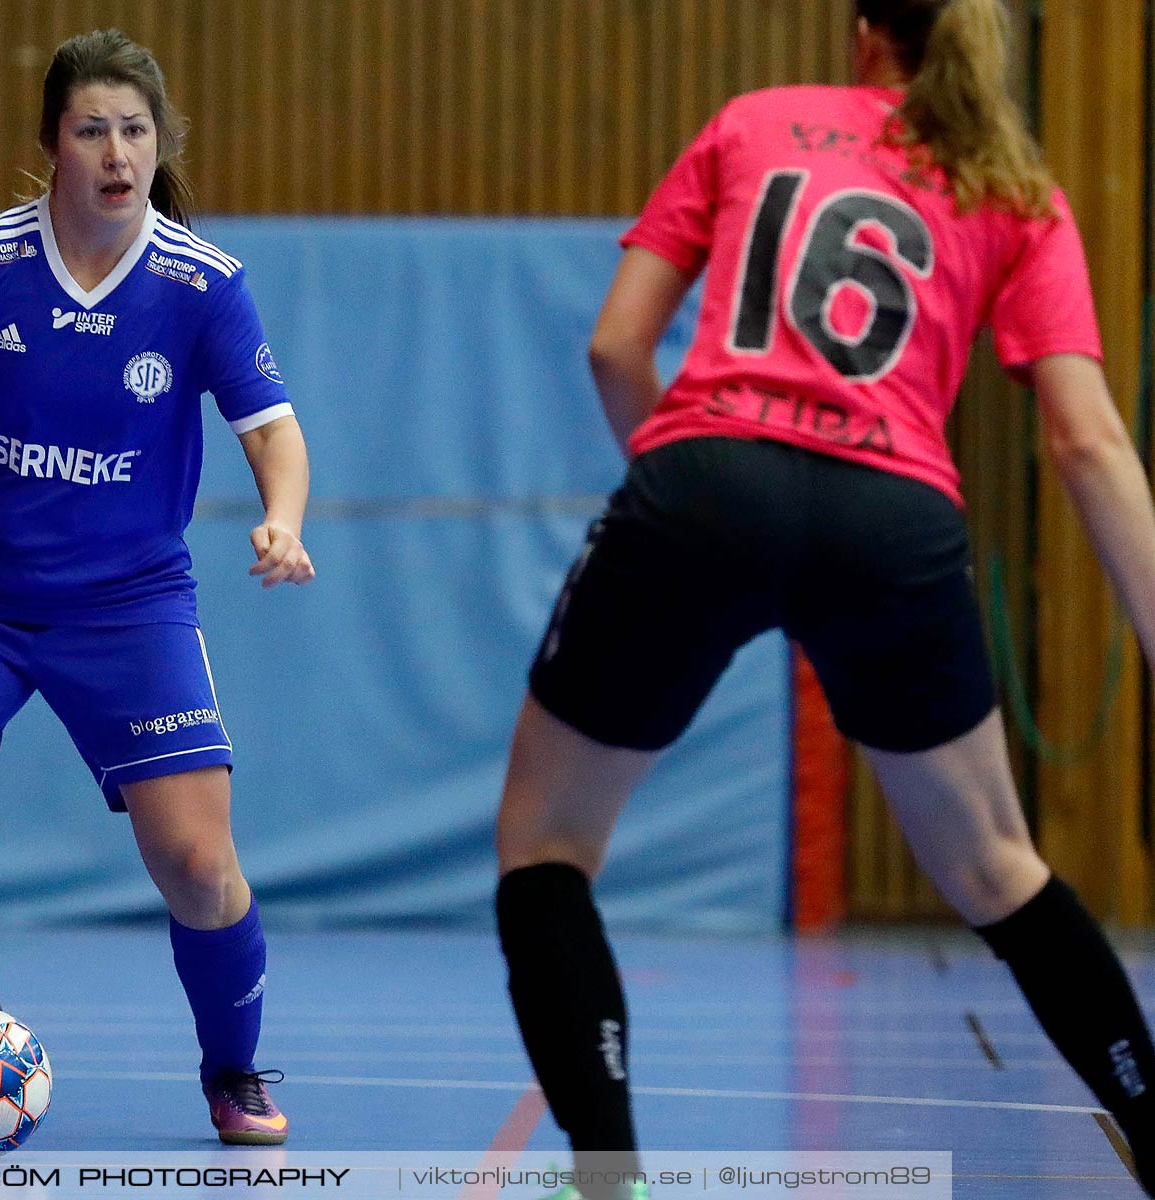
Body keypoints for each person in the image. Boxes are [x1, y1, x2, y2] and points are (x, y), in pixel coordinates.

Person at [494, 0, 1155, 1194]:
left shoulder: (758, 121)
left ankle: (606, 1176)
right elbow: (1086, 442)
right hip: (890, 519)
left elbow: (613, 348)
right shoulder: (1012, 186)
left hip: (709, 477)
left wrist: (686, 504)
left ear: (862, 36)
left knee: (546, 849)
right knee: (1001, 872)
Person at [0, 28, 312, 1146]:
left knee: (196, 865)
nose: (115, 150)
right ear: (52, 145)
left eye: (134, 130)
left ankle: (233, 1068)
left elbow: (273, 431)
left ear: (158, 145)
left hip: (127, 603)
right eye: (92, 128)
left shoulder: (200, 285)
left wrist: (281, 519)